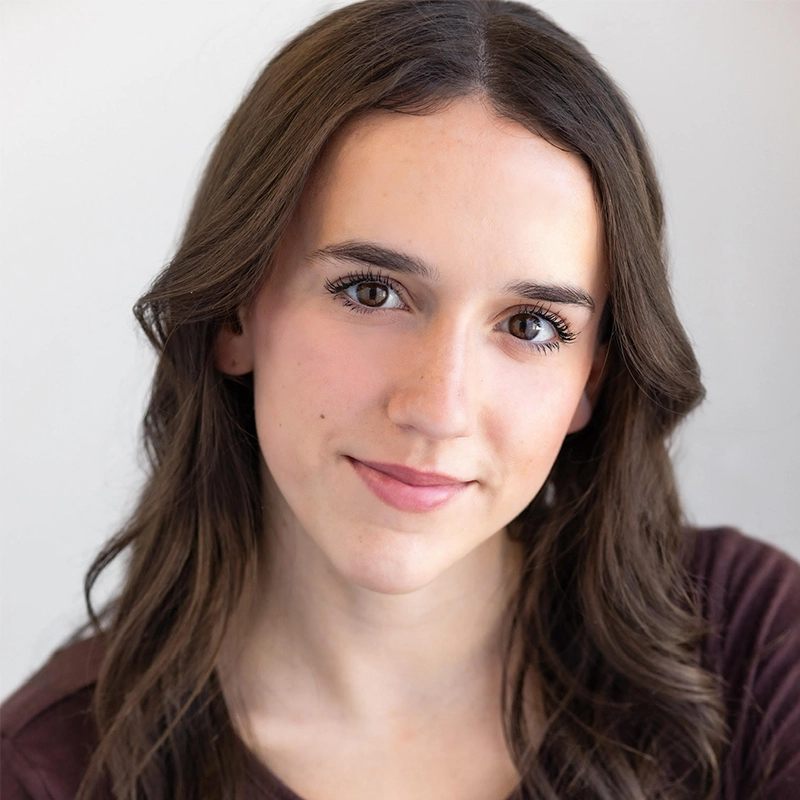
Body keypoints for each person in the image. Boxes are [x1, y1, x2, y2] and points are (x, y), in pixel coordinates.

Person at [2, 0, 799, 798]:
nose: (438, 407)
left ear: (592, 376)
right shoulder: (48, 772)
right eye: (372, 292)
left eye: (530, 323)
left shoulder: (754, 649)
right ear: (234, 314)